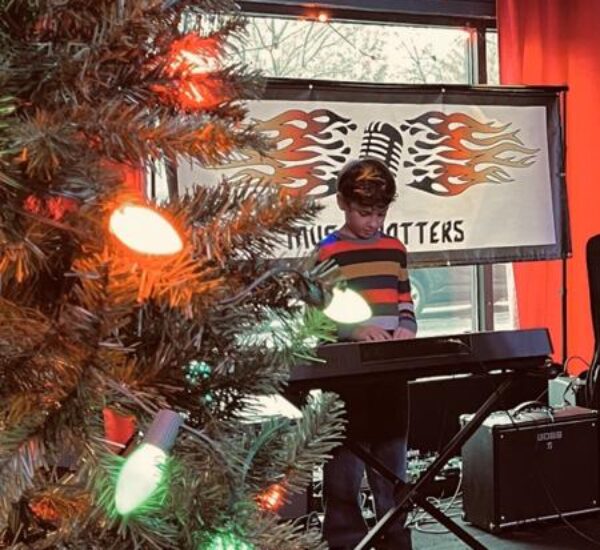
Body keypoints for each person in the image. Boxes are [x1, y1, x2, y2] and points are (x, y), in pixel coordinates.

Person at [315, 157, 417, 550]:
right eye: (364, 213)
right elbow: (318, 317)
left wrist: (407, 328)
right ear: (342, 203)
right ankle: (345, 539)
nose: (373, 222)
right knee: (344, 461)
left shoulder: (394, 249)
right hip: (347, 372)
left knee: (393, 457)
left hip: (389, 369)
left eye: (380, 213)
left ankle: (395, 535)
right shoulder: (328, 252)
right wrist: (356, 330)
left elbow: (405, 300)